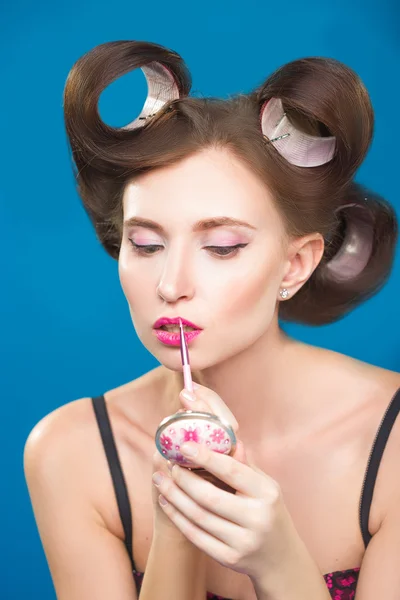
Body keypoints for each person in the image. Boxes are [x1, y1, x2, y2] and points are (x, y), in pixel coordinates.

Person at [24, 40, 400, 600]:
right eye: (146, 244)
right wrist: (176, 529)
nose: (171, 285)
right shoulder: (73, 450)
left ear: (295, 264)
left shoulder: (390, 441)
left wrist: (279, 562)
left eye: (222, 246)